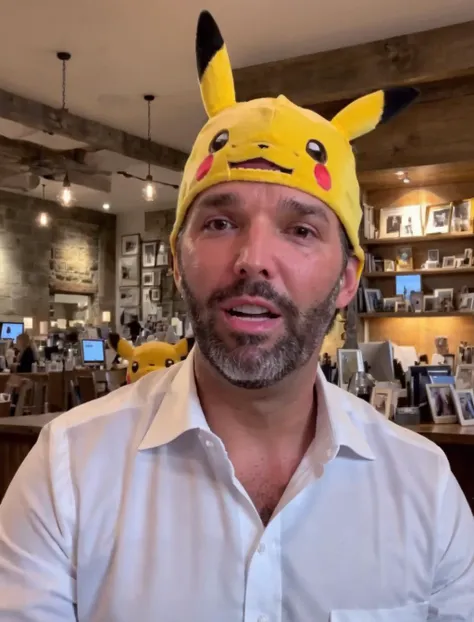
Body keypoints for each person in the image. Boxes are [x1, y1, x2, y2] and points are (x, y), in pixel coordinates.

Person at [0, 12, 472, 622]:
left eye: (300, 229)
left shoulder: (426, 489)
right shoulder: (67, 472)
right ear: (176, 259)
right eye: (220, 223)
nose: (254, 261)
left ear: (348, 278)